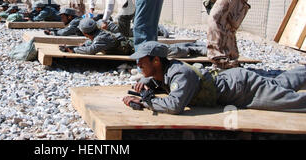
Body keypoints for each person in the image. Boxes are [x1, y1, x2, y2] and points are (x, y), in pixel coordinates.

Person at [123, 41, 306, 115]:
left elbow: (174, 105)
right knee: (279, 84)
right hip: (237, 82)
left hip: (245, 90)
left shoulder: (180, 74)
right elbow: (156, 81)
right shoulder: (163, 70)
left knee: (293, 103)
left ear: (156, 61)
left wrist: (146, 101)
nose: (138, 65)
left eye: (141, 61)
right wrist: (144, 83)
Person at [61, 18, 133, 56]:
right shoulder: (99, 34)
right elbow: (92, 41)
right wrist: (84, 44)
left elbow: (90, 50)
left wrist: (74, 50)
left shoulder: (101, 38)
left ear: (85, 34)